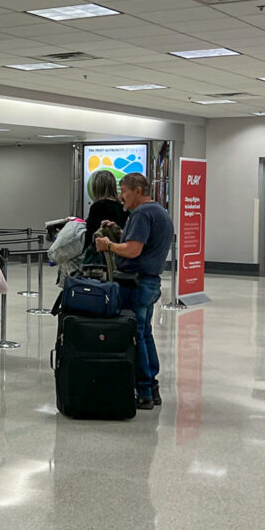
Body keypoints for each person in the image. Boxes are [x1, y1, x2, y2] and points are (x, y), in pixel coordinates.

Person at [94, 172, 173, 410]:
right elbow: (140, 244)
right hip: (150, 282)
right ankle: (153, 387)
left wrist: (108, 245)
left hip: (135, 283)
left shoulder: (141, 213)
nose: (121, 196)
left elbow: (133, 250)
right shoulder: (160, 212)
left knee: (135, 335)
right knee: (145, 333)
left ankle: (144, 389)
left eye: (125, 191)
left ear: (137, 190)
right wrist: (119, 232)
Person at [83, 170, 128, 250]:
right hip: (118, 251)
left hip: (101, 253)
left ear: (96, 187)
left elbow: (90, 236)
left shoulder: (97, 207)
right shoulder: (122, 208)